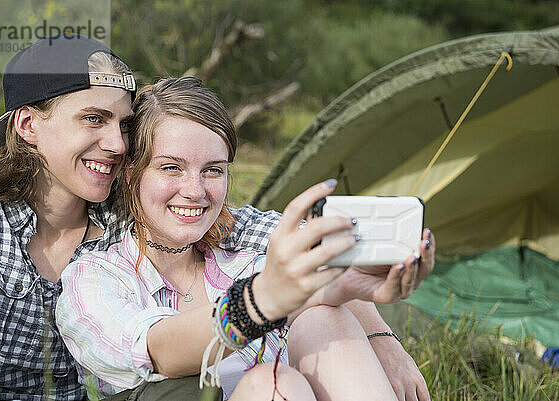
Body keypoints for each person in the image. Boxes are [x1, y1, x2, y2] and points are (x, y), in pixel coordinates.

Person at [56, 77, 436, 401]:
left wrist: (351, 290)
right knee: (270, 382)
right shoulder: (93, 277)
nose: (195, 190)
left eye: (213, 171)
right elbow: (160, 349)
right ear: (130, 173)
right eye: (171, 168)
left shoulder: (241, 247)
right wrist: (263, 299)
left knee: (324, 319)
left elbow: (309, 272)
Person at [0, 35, 281, 401]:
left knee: (182, 385)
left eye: (124, 124)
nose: (118, 144)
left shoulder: (131, 207)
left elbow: (241, 226)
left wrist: (324, 241)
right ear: (29, 125)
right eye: (94, 119)